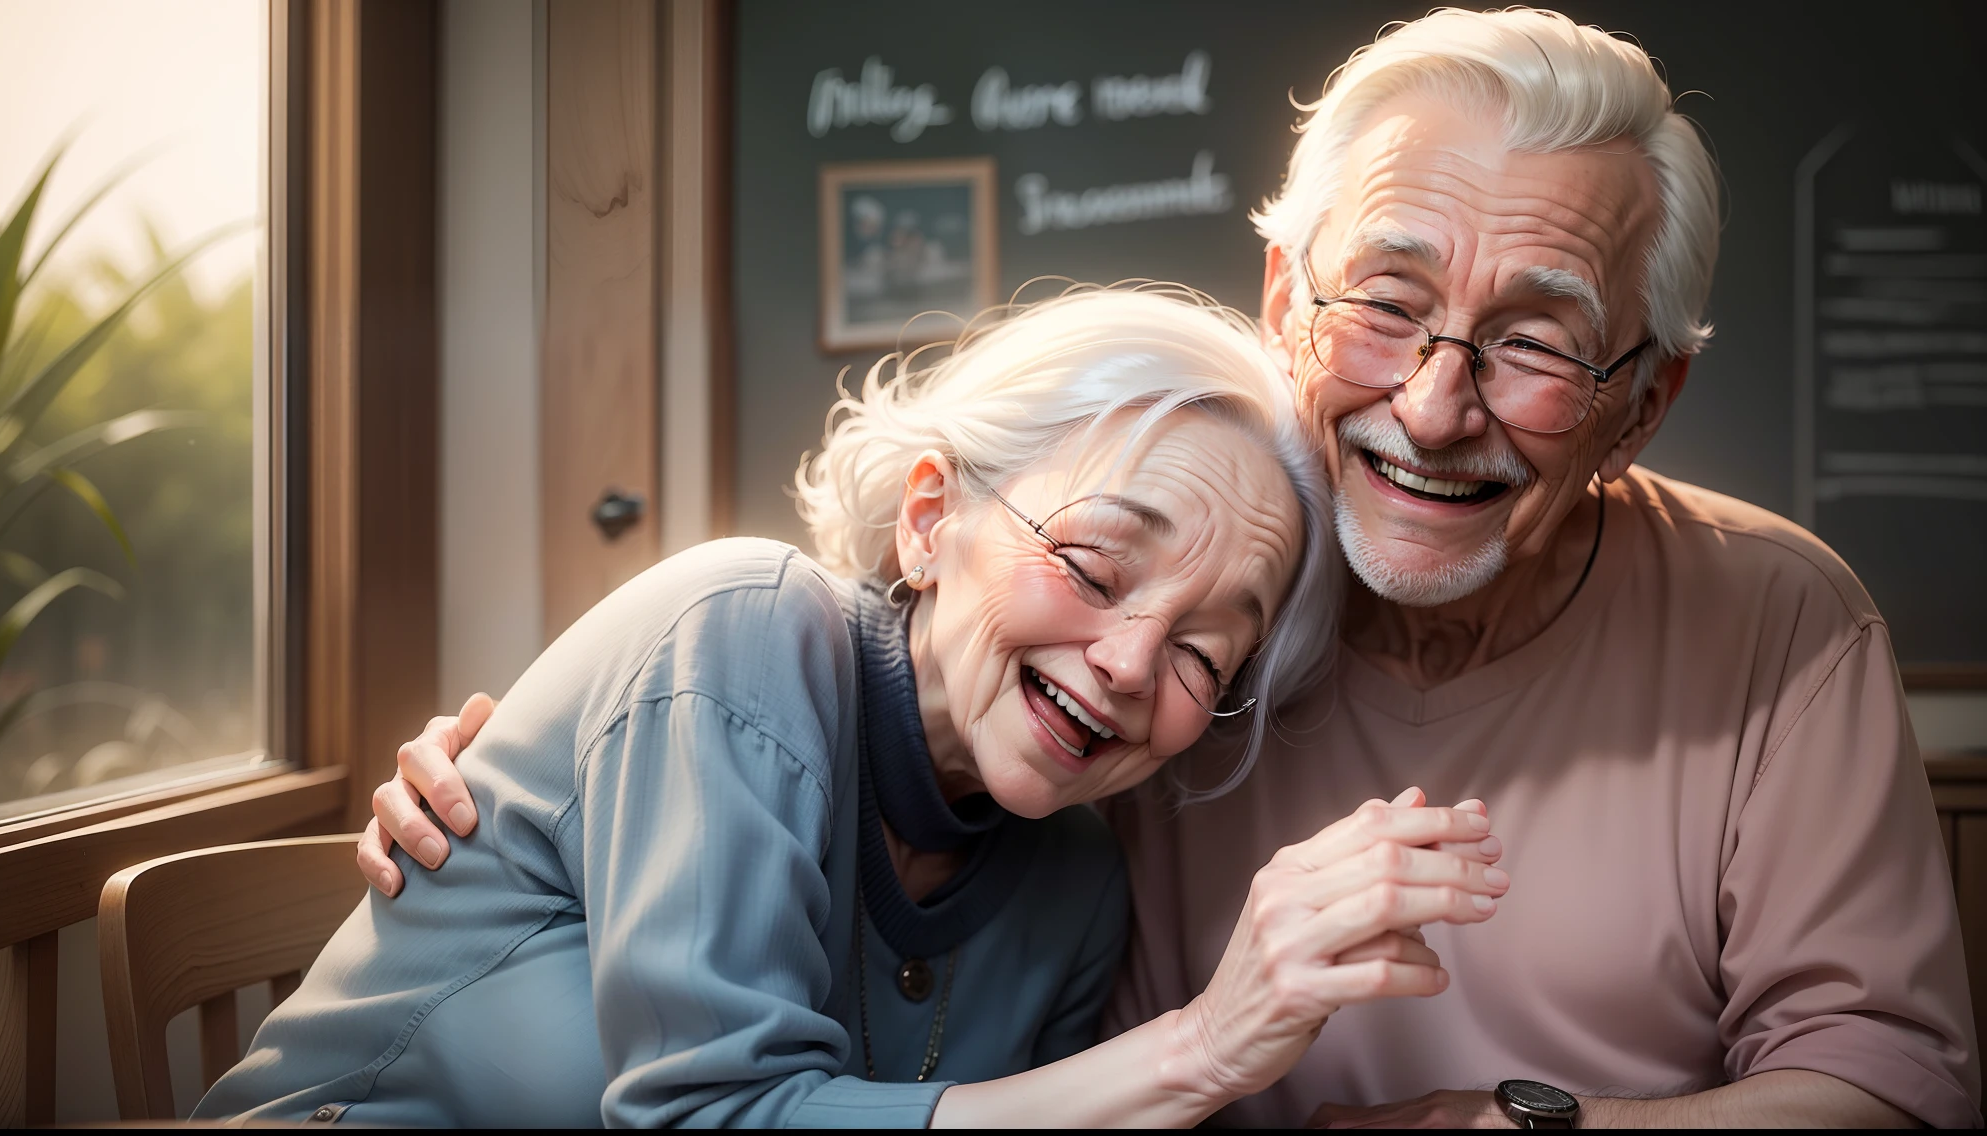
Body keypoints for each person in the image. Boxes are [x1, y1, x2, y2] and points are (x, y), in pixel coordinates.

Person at [380, 9, 1981, 1127]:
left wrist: (1544, 1132)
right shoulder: (1133, 664)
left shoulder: (1782, 615)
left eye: (1536, 343)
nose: (1434, 404)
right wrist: (544, 806)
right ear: (1286, 295)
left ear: (1645, 399)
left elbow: (1891, 1079)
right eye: (1384, 301)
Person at [197, 288, 1512, 1128]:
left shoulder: (1075, 890)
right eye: (1096, 565)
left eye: (1204, 658)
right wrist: (1204, 1051)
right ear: (932, 517)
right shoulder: (745, 628)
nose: (1126, 661)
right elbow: (714, 1119)